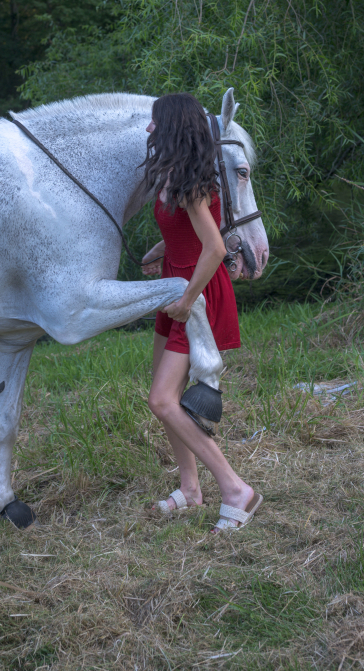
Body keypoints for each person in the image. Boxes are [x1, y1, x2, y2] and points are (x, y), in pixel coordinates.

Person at [141, 93, 263, 532]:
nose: (149, 129)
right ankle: (190, 489)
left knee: (161, 400)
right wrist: (160, 250)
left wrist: (188, 299)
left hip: (197, 294)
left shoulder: (191, 185)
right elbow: (193, 232)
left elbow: (213, 248)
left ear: (173, 128)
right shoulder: (176, 175)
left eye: (156, 123)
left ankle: (236, 489)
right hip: (175, 283)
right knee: (164, 394)